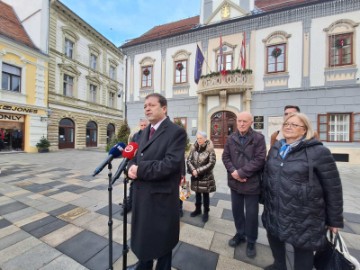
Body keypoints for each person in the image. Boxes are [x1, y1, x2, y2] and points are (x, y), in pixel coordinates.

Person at [262, 112, 343, 270]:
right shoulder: (277, 148)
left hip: (303, 214)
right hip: (275, 208)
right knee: (275, 240)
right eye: (286, 124)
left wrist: (334, 220)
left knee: (303, 251)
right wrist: (263, 199)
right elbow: (268, 175)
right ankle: (279, 266)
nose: (288, 127)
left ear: (305, 130)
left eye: (294, 124)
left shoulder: (318, 152)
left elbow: (333, 187)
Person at [127, 93, 187, 270]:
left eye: (151, 105)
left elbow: (169, 164)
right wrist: (131, 167)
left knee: (162, 241)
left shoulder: (176, 132)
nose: (147, 108)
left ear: (164, 108)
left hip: (161, 198)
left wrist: (140, 169)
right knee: (143, 236)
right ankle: (143, 265)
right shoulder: (143, 132)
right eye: (145, 105)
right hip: (142, 195)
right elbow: (134, 156)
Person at [222, 111, 266, 258]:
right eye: (239, 121)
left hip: (251, 183)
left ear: (250, 123)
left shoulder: (259, 138)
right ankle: (240, 233)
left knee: (252, 214)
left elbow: (260, 160)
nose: (241, 124)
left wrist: (242, 173)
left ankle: (252, 240)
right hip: (235, 182)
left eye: (244, 121)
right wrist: (234, 171)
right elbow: (225, 156)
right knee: (237, 211)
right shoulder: (231, 138)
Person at [186, 131, 216, 223]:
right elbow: (189, 160)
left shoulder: (210, 149)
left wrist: (198, 171)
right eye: (197, 138)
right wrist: (193, 170)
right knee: (197, 193)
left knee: (205, 195)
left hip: (205, 176)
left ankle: (206, 212)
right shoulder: (194, 148)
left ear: (205, 139)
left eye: (201, 138)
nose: (199, 140)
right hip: (195, 176)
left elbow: (211, 163)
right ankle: (197, 209)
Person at [121, 118, 148, 216]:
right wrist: (130, 166)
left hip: (146, 166)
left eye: (145, 125)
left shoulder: (152, 135)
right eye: (142, 125)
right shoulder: (136, 136)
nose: (144, 127)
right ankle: (129, 205)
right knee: (133, 188)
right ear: (139, 125)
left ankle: (143, 209)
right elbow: (131, 151)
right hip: (136, 164)